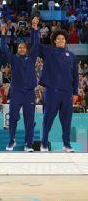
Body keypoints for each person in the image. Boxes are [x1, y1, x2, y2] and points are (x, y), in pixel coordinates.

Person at [33, 22, 79, 152]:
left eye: (63, 38)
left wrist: (75, 93)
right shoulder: (49, 51)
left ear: (65, 41)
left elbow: (75, 76)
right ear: (54, 41)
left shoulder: (72, 57)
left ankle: (67, 145)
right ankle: (44, 144)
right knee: (48, 118)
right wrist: (35, 29)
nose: (60, 40)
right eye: (58, 38)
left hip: (67, 92)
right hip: (52, 91)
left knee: (67, 120)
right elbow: (36, 46)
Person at [0, 17, 40, 152]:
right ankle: (11, 141)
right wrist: (3, 35)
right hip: (16, 93)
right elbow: (4, 49)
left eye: (23, 47)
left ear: (26, 49)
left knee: (30, 121)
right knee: (13, 119)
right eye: (19, 47)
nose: (21, 49)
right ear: (17, 49)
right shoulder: (13, 59)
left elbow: (36, 44)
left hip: (29, 93)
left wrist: (35, 28)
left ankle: (29, 145)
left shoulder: (31, 58)